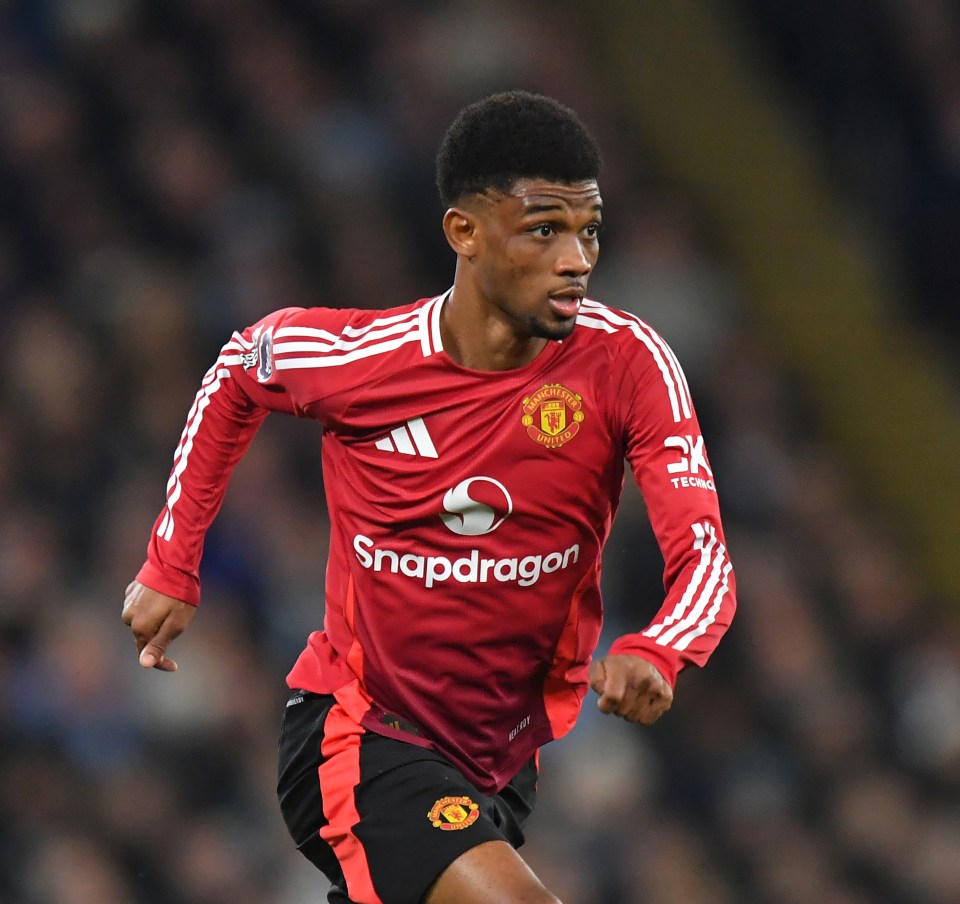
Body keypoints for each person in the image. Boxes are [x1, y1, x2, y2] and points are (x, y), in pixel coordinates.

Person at [122, 90, 736, 904]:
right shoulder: (366, 360)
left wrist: (659, 647)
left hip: (500, 765)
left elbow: (706, 557)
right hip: (359, 734)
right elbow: (239, 370)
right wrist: (173, 561)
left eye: (589, 230)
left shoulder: (627, 366)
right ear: (465, 233)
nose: (577, 259)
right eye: (545, 229)